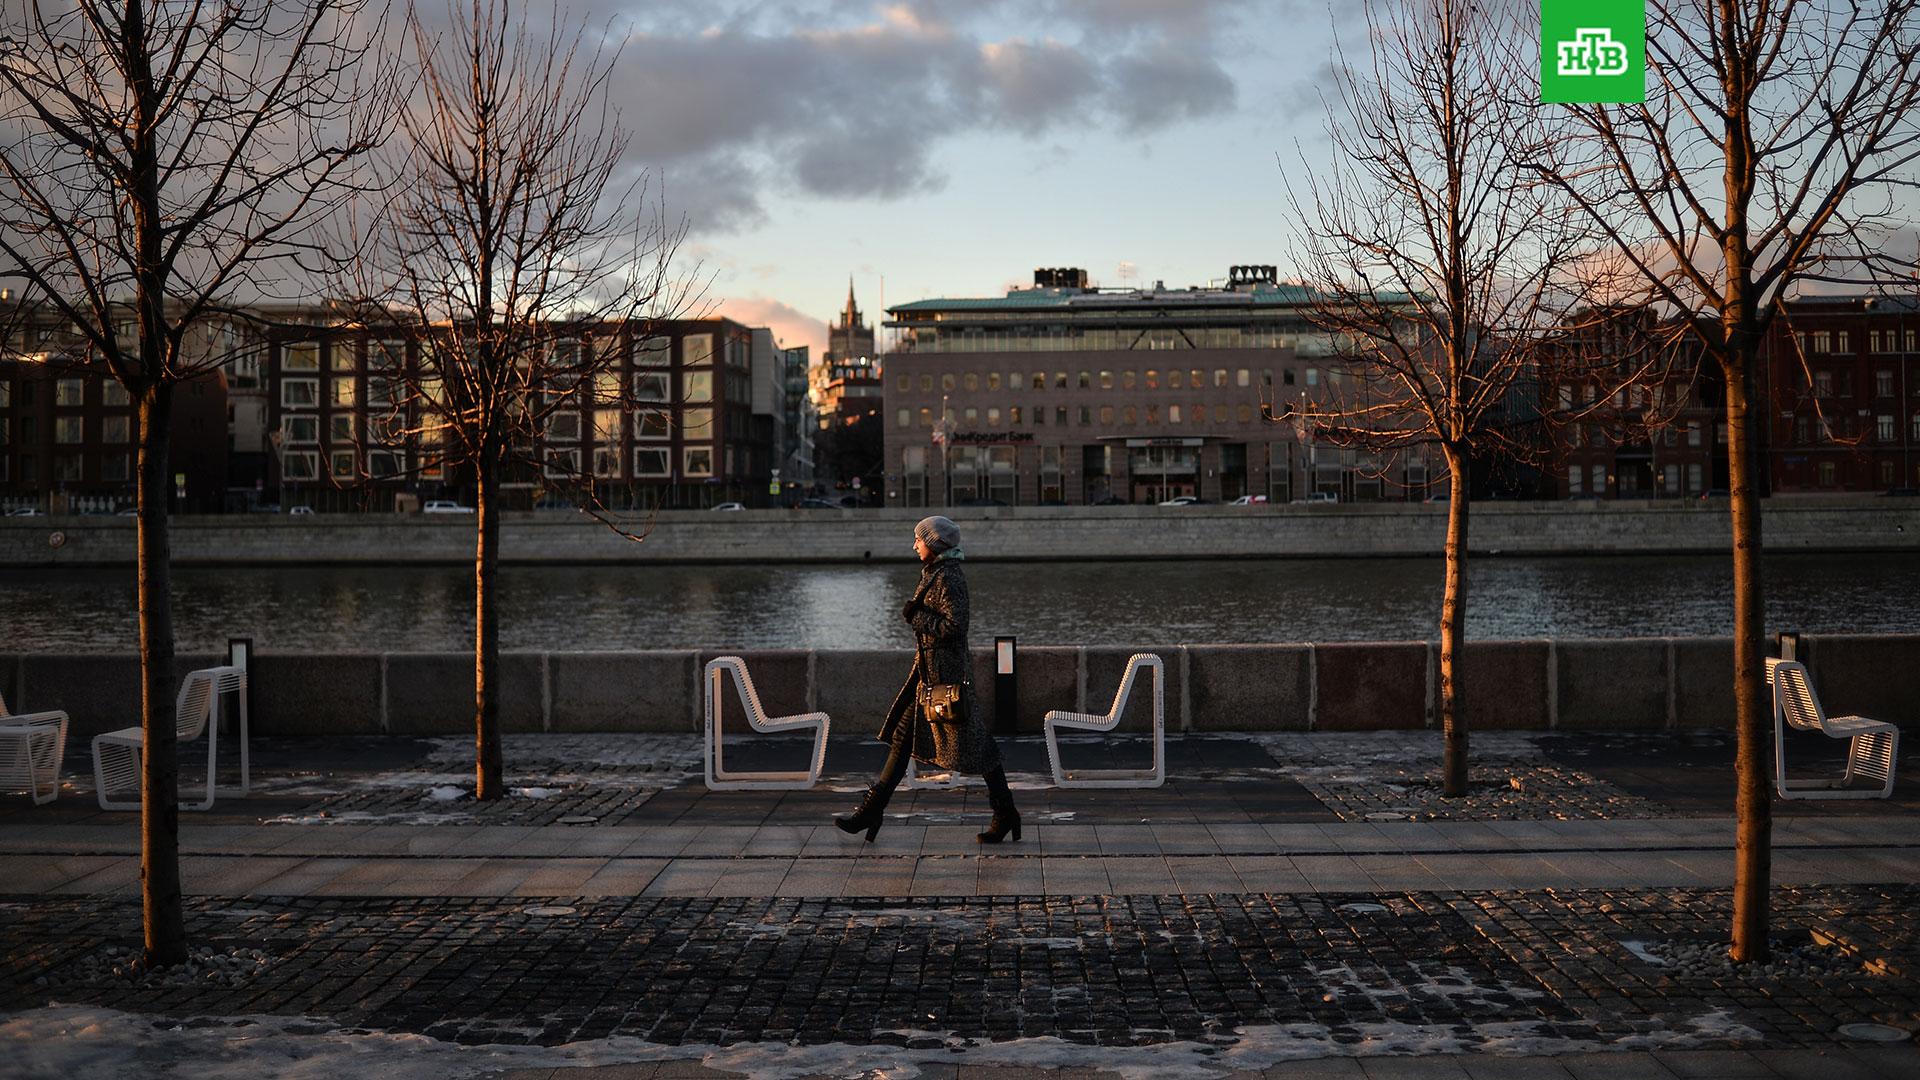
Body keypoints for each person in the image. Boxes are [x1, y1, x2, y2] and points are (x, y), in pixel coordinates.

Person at [835, 515, 1021, 844]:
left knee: (978, 745)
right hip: (928, 675)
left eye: (918, 540)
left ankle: (1005, 812)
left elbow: (955, 626)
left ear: (933, 544)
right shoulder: (936, 572)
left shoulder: (949, 576)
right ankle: (872, 811)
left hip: (946, 680)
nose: (914, 545)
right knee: (903, 740)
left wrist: (917, 617)